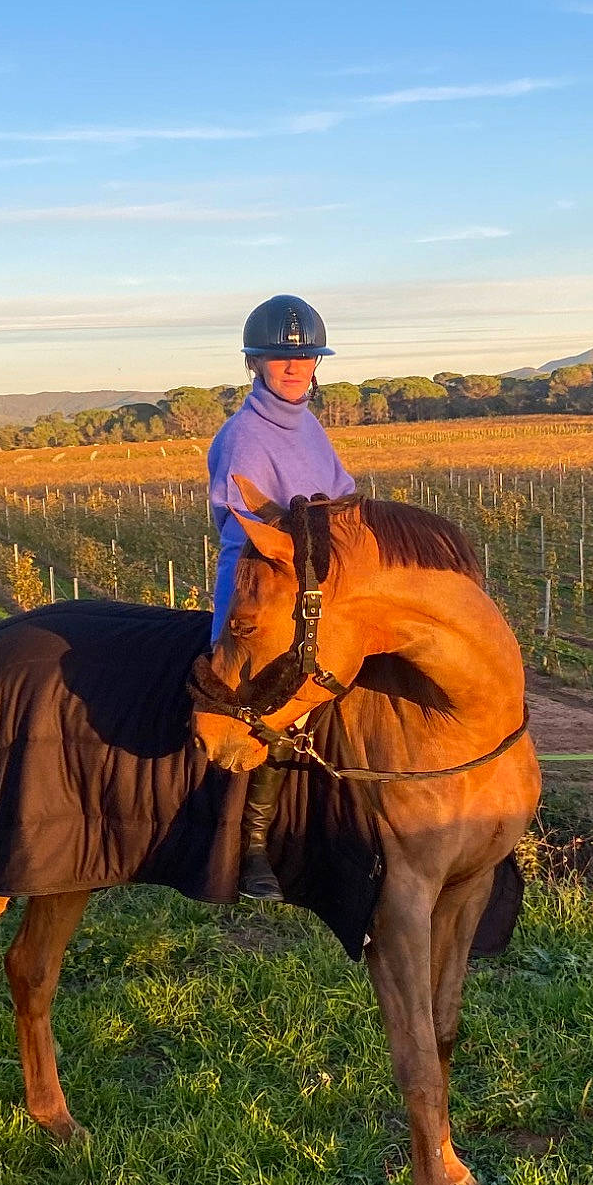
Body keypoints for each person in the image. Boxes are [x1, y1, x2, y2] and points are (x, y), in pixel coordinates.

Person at [207, 294, 355, 900]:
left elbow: (342, 496)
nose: (294, 368)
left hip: (317, 579)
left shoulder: (309, 426)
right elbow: (250, 527)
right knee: (272, 701)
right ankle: (252, 849)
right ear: (254, 363)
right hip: (262, 580)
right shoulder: (242, 436)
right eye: (278, 358)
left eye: (305, 357)